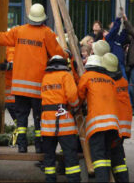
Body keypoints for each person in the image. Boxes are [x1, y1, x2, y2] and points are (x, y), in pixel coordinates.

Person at [0, 3, 69, 153]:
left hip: (19, 87)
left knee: (21, 119)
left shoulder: (19, 31)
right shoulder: (46, 33)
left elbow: (0, 37)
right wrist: (67, 54)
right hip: (37, 86)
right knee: (37, 118)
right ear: (42, 19)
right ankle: (38, 146)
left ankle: (22, 146)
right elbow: (57, 53)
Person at [78, 55, 120, 183]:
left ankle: (102, 180)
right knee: (106, 154)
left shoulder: (87, 77)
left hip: (98, 124)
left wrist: (77, 107)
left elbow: (79, 96)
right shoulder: (110, 80)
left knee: (99, 156)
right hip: (113, 124)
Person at [41, 55, 80, 183]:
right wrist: (75, 106)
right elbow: (72, 96)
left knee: (49, 155)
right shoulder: (66, 75)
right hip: (64, 122)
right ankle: (73, 180)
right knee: (70, 155)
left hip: (47, 122)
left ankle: (50, 179)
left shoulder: (46, 77)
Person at [102, 53, 131, 182]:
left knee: (112, 154)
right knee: (119, 155)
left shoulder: (108, 82)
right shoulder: (122, 80)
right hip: (123, 124)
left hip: (115, 124)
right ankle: (123, 179)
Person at [105, 11, 130, 79]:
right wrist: (118, 18)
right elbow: (115, 29)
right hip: (112, 63)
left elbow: (124, 33)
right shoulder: (108, 37)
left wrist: (125, 22)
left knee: (124, 80)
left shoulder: (118, 38)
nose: (114, 25)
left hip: (120, 63)